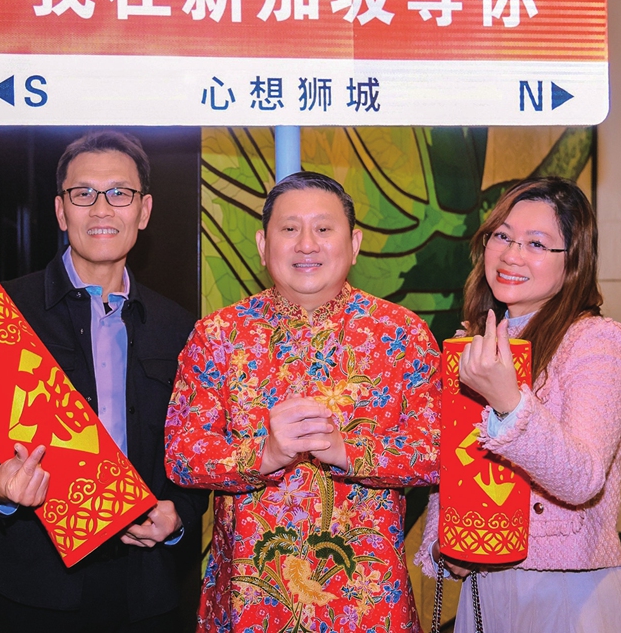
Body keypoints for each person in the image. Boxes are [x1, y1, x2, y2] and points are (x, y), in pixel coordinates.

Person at [0, 131, 209, 632]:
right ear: (61, 211)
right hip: (33, 584)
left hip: (147, 587)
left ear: (143, 211)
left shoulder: (180, 329)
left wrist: (178, 518)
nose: (101, 209)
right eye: (83, 194)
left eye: (119, 193)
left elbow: (195, 453)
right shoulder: (1, 315)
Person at [166, 171, 442, 633]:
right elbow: (182, 454)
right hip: (250, 601)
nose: (306, 244)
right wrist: (263, 456)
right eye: (290, 229)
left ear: (354, 243)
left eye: (324, 229)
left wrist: (348, 452)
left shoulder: (403, 335)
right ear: (262, 243)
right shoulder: (219, 336)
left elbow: (437, 452)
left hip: (368, 604)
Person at [416, 177, 621, 632]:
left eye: (537, 243)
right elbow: (460, 461)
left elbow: (583, 477)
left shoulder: (596, 342)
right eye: (502, 236)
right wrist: (450, 542)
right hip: (487, 587)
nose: (512, 254)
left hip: (566, 592)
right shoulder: (474, 342)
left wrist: (508, 401)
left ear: (574, 260)